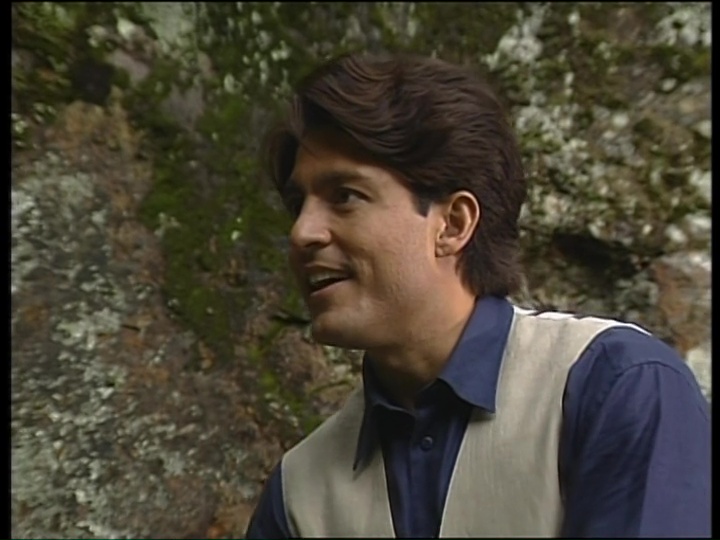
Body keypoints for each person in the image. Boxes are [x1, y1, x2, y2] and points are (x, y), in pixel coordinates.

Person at [245, 52, 710, 538]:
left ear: (453, 224)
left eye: (345, 195)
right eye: (298, 204)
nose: (302, 233)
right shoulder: (297, 494)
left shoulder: (614, 389)